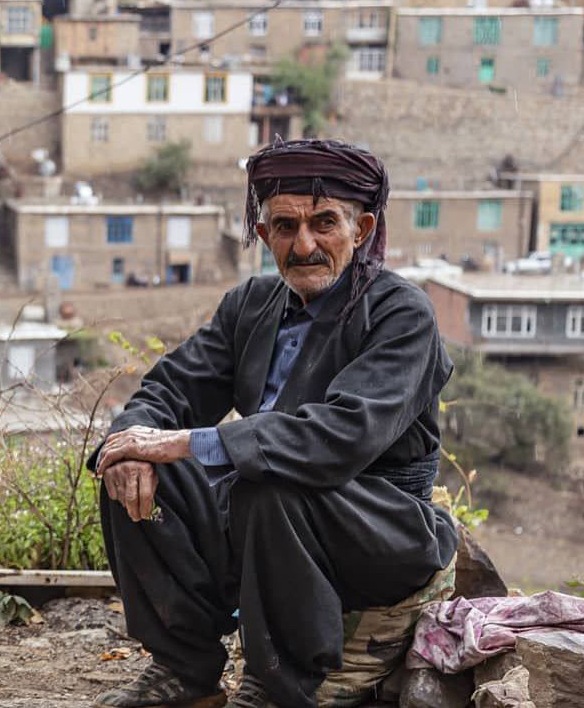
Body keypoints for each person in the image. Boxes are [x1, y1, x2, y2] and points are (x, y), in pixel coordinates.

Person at [90, 139, 458, 708]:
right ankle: (184, 670)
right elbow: (170, 388)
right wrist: (135, 445)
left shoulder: (401, 314)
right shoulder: (252, 304)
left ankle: (279, 686)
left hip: (376, 531)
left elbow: (341, 437)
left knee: (268, 484)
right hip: (264, 526)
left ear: (361, 230)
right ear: (264, 236)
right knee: (127, 464)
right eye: (285, 226)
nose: (303, 245)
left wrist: (185, 442)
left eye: (324, 223)